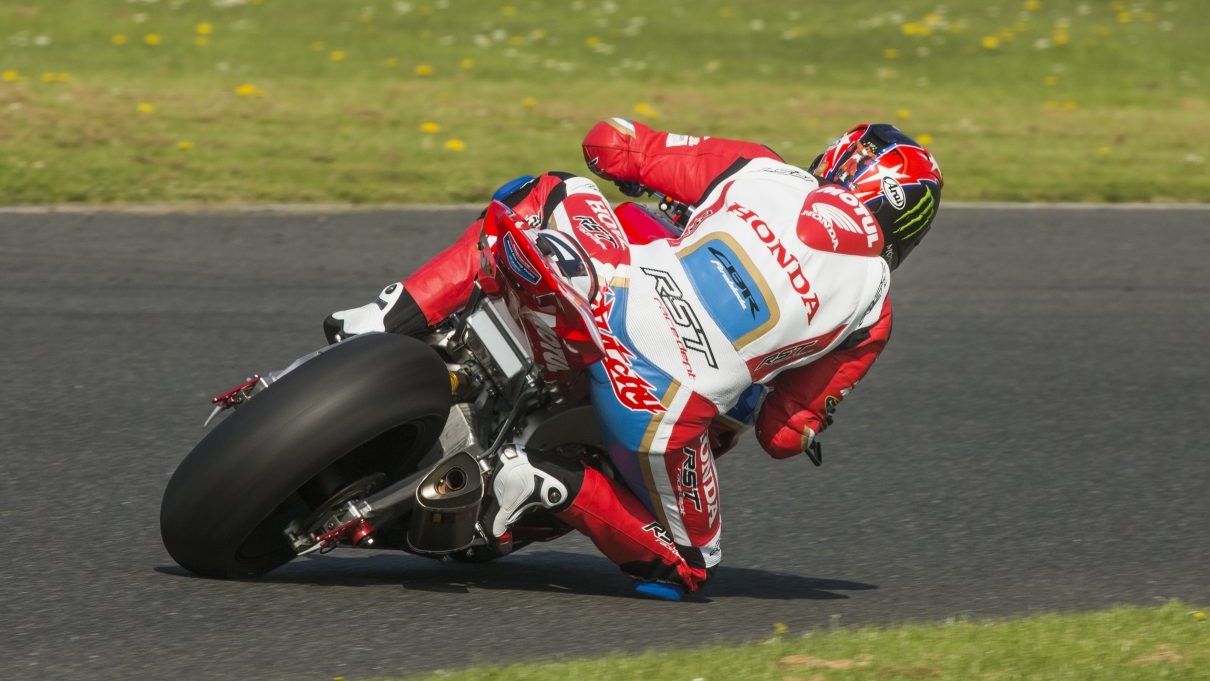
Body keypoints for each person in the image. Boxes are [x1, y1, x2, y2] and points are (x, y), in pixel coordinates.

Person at [324, 118, 943, 600]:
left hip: (605, 300)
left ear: (837, 159)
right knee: (691, 567)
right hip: (659, 404)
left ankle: (385, 318)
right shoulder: (874, 308)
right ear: (904, 225)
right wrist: (811, 420)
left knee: (543, 193)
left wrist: (639, 168)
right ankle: (543, 480)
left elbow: (612, 145)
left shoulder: (761, 169)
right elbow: (781, 433)